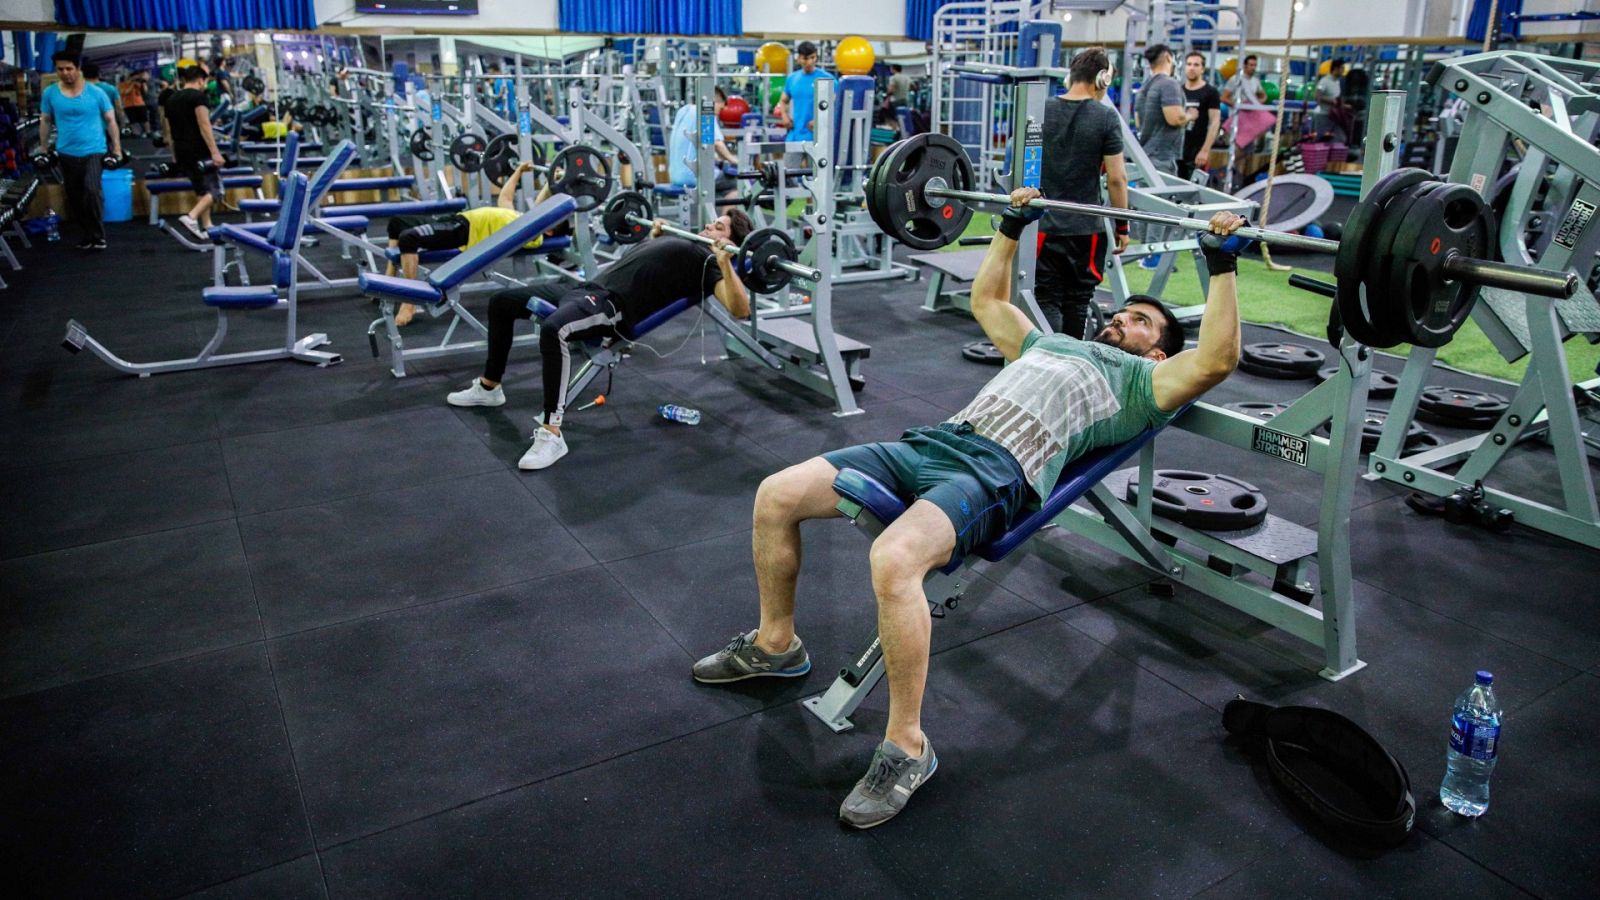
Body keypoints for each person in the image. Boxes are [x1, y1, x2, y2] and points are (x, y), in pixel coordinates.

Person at [690, 191, 1248, 829]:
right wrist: (1009, 226)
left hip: (998, 471)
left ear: (1158, 353)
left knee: (894, 558)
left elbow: (1217, 359)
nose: (1123, 318)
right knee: (776, 493)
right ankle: (776, 644)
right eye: (1123, 311)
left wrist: (1221, 264)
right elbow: (988, 300)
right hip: (932, 443)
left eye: (1142, 320)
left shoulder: (1142, 382)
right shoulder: (1048, 344)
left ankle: (907, 746)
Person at [445, 209, 757, 471]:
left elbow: (740, 309)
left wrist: (725, 262)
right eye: (712, 221)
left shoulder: (709, 263)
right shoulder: (687, 243)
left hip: (610, 307)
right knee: (502, 301)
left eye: (718, 227)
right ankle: (489, 388)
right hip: (584, 290)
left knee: (557, 330)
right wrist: (654, 239)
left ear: (730, 243)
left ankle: (552, 434)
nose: (707, 226)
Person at [1036, 47, 1130, 339]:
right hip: (1084, 230)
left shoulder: (1039, 109)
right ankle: (1069, 367)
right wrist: (1122, 226)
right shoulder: (1105, 117)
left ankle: (1047, 365)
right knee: (1076, 302)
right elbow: (1117, 179)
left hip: (1041, 226)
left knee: (1045, 299)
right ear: (1102, 79)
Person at [384, 159, 546, 326]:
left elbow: (544, 208)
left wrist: (550, 185)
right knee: (396, 222)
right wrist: (519, 171)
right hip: (458, 219)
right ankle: (389, 285)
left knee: (408, 238)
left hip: (462, 231)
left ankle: (409, 301)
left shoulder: (532, 233)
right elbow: (506, 196)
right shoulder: (516, 215)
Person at [39, 51, 121, 250]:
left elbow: (111, 121)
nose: (65, 73)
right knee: (75, 196)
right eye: (60, 69)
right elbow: (46, 120)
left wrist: (117, 149)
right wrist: (43, 149)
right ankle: (87, 234)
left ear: (78, 69)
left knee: (92, 190)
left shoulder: (96, 92)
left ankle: (98, 234)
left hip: (94, 149)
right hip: (66, 151)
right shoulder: (50, 93)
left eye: (69, 68)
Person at [1134, 44, 1187, 268]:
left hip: (1146, 153)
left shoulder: (1146, 87)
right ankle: (1154, 257)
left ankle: (1147, 254)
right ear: (1167, 57)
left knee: (1149, 206)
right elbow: (1174, 117)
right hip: (1162, 155)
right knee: (1160, 207)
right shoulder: (1169, 84)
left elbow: (1138, 121)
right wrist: (1190, 116)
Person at [163, 66, 227, 243]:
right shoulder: (198, 97)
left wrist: (173, 154)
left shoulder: (171, 99)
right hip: (199, 149)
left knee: (201, 189)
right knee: (216, 190)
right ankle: (191, 217)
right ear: (200, 80)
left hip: (182, 149)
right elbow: (204, 126)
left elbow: (168, 131)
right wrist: (215, 152)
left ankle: (207, 225)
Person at [668, 86, 740, 198]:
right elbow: (717, 143)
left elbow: (702, 143)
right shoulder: (706, 111)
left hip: (675, 176)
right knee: (740, 183)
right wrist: (735, 160)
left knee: (725, 187)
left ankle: (723, 213)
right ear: (716, 101)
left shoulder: (684, 111)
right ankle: (729, 215)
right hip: (694, 177)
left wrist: (717, 158)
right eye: (721, 108)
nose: (719, 113)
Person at [776, 41, 836, 146]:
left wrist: (819, 120)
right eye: (805, 58)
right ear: (798, 58)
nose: (809, 62)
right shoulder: (792, 78)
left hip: (818, 137)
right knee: (790, 162)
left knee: (814, 163)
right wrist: (784, 116)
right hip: (795, 135)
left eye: (812, 58)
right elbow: (783, 100)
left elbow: (836, 104)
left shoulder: (827, 79)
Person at [1180, 51, 1222, 181]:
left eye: (1196, 65)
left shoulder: (1210, 92)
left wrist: (1205, 150)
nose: (1192, 68)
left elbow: (1214, 122)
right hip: (1178, 148)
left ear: (1202, 69)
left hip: (1197, 149)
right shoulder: (1178, 90)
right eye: (1189, 64)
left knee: (1194, 188)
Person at [81, 62, 127, 133]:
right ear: (99, 74)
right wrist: (123, 124)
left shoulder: (78, 90)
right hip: (108, 126)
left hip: (86, 128)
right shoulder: (111, 89)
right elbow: (119, 108)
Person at [1314, 58, 1349, 143]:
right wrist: (1332, 101)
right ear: (1335, 69)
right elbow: (1317, 96)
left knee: (1340, 138)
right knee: (1321, 139)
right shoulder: (1324, 81)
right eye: (1342, 68)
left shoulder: (1337, 82)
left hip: (1334, 116)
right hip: (1324, 116)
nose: (1343, 71)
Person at [119, 71, 150, 137]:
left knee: (144, 119)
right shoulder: (122, 84)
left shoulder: (139, 84)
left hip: (140, 103)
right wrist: (132, 83)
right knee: (133, 120)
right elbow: (126, 92)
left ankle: (148, 132)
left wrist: (143, 83)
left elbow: (145, 92)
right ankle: (137, 133)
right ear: (129, 78)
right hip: (128, 105)